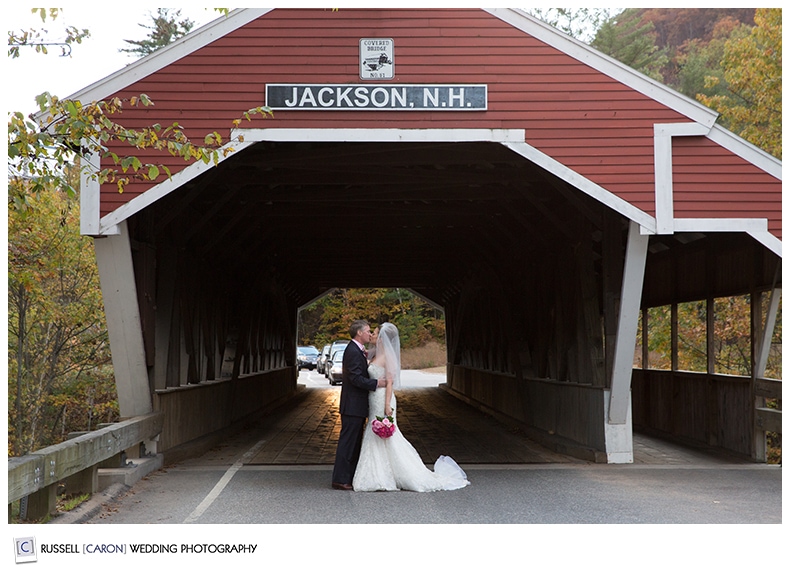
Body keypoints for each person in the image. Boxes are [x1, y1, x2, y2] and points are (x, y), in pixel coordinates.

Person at [352, 322, 470, 492]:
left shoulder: (388, 357)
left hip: (383, 399)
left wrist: (387, 405)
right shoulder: (374, 354)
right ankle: (377, 473)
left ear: (383, 339)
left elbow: (390, 382)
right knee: (374, 432)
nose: (372, 336)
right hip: (373, 398)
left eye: (376, 334)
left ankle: (396, 473)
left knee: (386, 434)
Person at [331, 320, 387, 490]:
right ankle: (340, 479)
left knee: (354, 442)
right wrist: (377, 383)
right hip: (352, 405)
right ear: (359, 333)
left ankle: (349, 475)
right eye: (368, 331)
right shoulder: (353, 351)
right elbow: (355, 379)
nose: (370, 334)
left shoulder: (358, 350)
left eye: (372, 332)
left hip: (356, 405)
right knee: (348, 442)